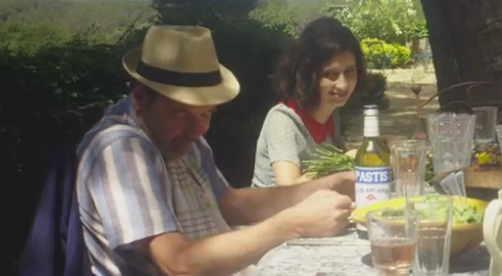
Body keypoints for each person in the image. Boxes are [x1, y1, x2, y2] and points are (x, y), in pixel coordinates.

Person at [76, 25, 355, 276]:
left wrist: (326, 185)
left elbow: (232, 204)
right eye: (180, 113)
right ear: (140, 99)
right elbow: (177, 265)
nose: (198, 130)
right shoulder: (122, 150)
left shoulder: (183, 136)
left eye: (207, 113)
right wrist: (292, 224)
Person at [252, 17, 366, 187]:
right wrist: (344, 160)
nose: (343, 84)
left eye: (349, 71)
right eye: (330, 74)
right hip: (275, 212)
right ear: (307, 75)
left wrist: (378, 144)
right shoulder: (282, 120)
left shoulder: (332, 113)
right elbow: (290, 188)